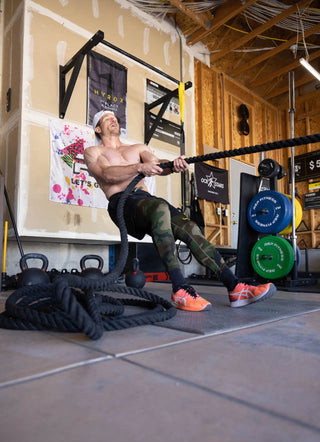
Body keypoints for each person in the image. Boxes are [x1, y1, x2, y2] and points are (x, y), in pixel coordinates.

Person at [84, 110, 276, 312]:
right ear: (98, 128)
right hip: (121, 202)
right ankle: (180, 288)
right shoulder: (94, 152)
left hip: (146, 200)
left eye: (114, 116)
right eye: (107, 119)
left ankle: (235, 287)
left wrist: (173, 166)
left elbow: (158, 166)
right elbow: (106, 174)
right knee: (159, 208)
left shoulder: (138, 148)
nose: (113, 119)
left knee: (189, 227)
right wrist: (139, 168)